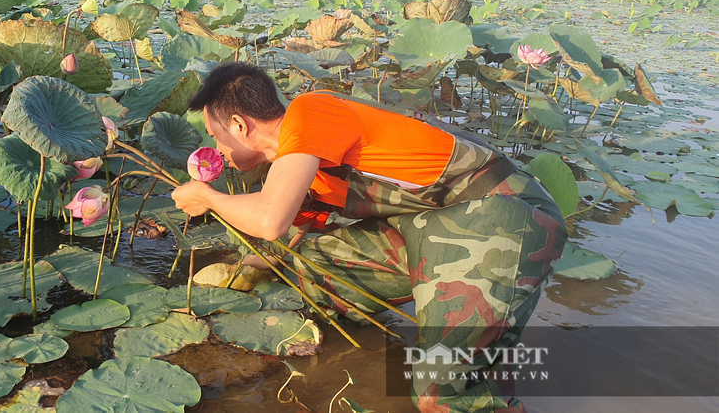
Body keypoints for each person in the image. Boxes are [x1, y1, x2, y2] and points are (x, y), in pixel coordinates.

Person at [171, 62, 567, 412]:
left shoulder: (311, 113)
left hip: (502, 215)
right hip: (432, 221)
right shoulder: (301, 164)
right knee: (317, 273)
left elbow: (271, 221)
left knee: (441, 393)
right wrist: (249, 271)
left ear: (239, 125)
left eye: (215, 134)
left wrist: (208, 197)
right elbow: (291, 237)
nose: (216, 148)